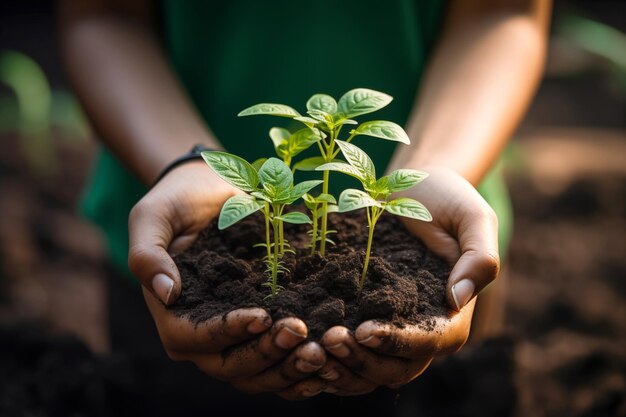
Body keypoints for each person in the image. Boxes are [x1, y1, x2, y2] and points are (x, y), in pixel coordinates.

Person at [59, 0, 551, 413]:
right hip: (180, 243)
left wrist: (436, 167)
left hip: (437, 240)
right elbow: (102, 14)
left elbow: (506, 10)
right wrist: (183, 164)